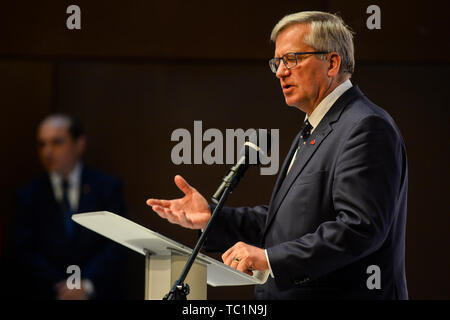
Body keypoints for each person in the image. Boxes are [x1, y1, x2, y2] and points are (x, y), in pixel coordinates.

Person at [146, 11, 408, 299]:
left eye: (292, 59)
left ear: (332, 63)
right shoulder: (315, 127)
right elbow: (286, 223)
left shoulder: (365, 126)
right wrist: (212, 218)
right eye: (277, 62)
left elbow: (360, 228)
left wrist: (270, 259)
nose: (281, 71)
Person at [13, 114, 127, 299]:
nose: (47, 152)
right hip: (48, 292)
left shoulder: (107, 187)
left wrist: (86, 285)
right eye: (42, 144)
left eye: (56, 142)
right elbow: (24, 251)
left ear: (79, 144)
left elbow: (116, 245)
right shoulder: (28, 194)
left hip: (96, 293)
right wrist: (61, 287)